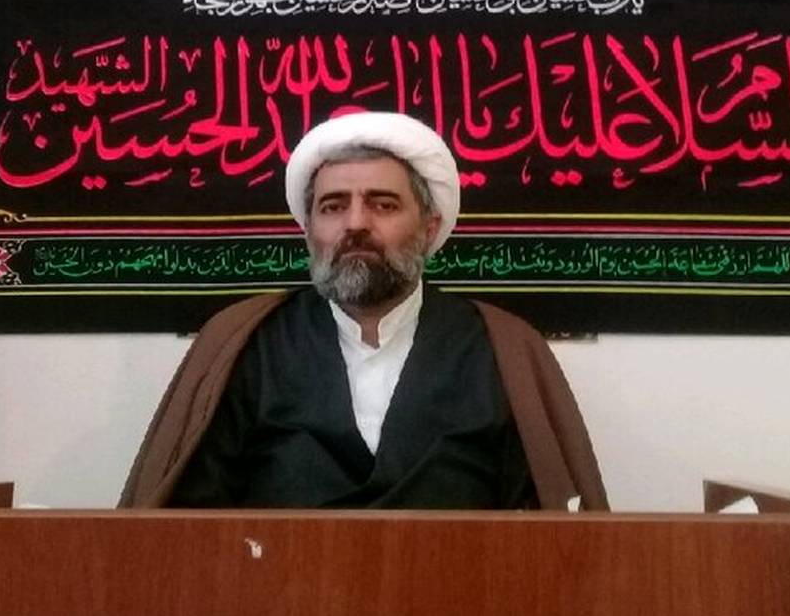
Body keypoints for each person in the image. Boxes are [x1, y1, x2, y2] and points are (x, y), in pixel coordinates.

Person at [120, 112, 608, 511]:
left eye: (383, 205)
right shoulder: (246, 344)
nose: (355, 223)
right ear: (309, 230)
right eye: (333, 206)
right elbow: (189, 527)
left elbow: (544, 536)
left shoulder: (503, 349)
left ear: (429, 227)